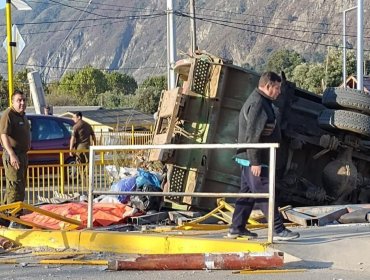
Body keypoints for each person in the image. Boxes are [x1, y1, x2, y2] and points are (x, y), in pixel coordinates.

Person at [228, 72, 300, 241]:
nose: (279, 92)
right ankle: (278, 229)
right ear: (268, 86)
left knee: (247, 194)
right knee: (264, 192)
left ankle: (236, 228)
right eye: (277, 88)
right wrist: (255, 162)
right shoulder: (259, 103)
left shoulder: (261, 101)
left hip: (250, 157)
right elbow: (253, 135)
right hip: (254, 158)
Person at [0, 90, 30, 204]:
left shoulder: (23, 115)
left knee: (21, 186)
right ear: (12, 102)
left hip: (22, 155)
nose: (22, 103)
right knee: (14, 187)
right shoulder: (8, 114)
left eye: (24, 100)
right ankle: (12, 216)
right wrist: (12, 154)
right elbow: (4, 135)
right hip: (13, 154)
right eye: (19, 100)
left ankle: (8, 215)